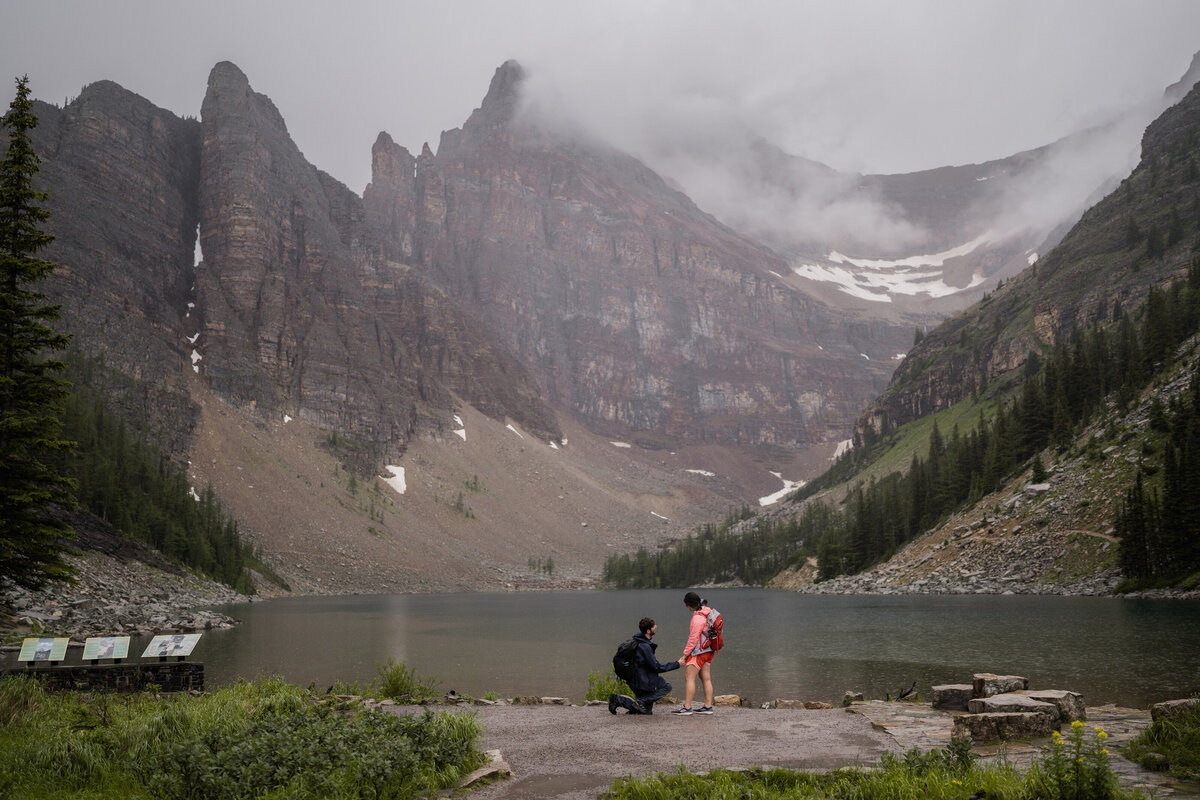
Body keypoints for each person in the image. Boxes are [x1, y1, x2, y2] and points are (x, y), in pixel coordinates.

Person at [608, 617, 680, 715]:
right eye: (654, 627)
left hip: (636, 679)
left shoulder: (638, 641)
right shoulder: (644, 646)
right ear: (648, 631)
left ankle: (619, 700)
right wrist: (677, 664)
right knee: (667, 687)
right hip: (642, 681)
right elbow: (656, 667)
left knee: (645, 710)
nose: (656, 627)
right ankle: (635, 700)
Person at [672, 591, 716, 715]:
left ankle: (687, 708)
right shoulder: (707, 611)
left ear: (690, 605)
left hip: (699, 651)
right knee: (705, 678)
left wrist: (685, 654)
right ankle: (708, 707)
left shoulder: (698, 618)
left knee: (689, 677)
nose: (686, 607)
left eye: (687, 605)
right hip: (709, 650)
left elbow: (693, 638)